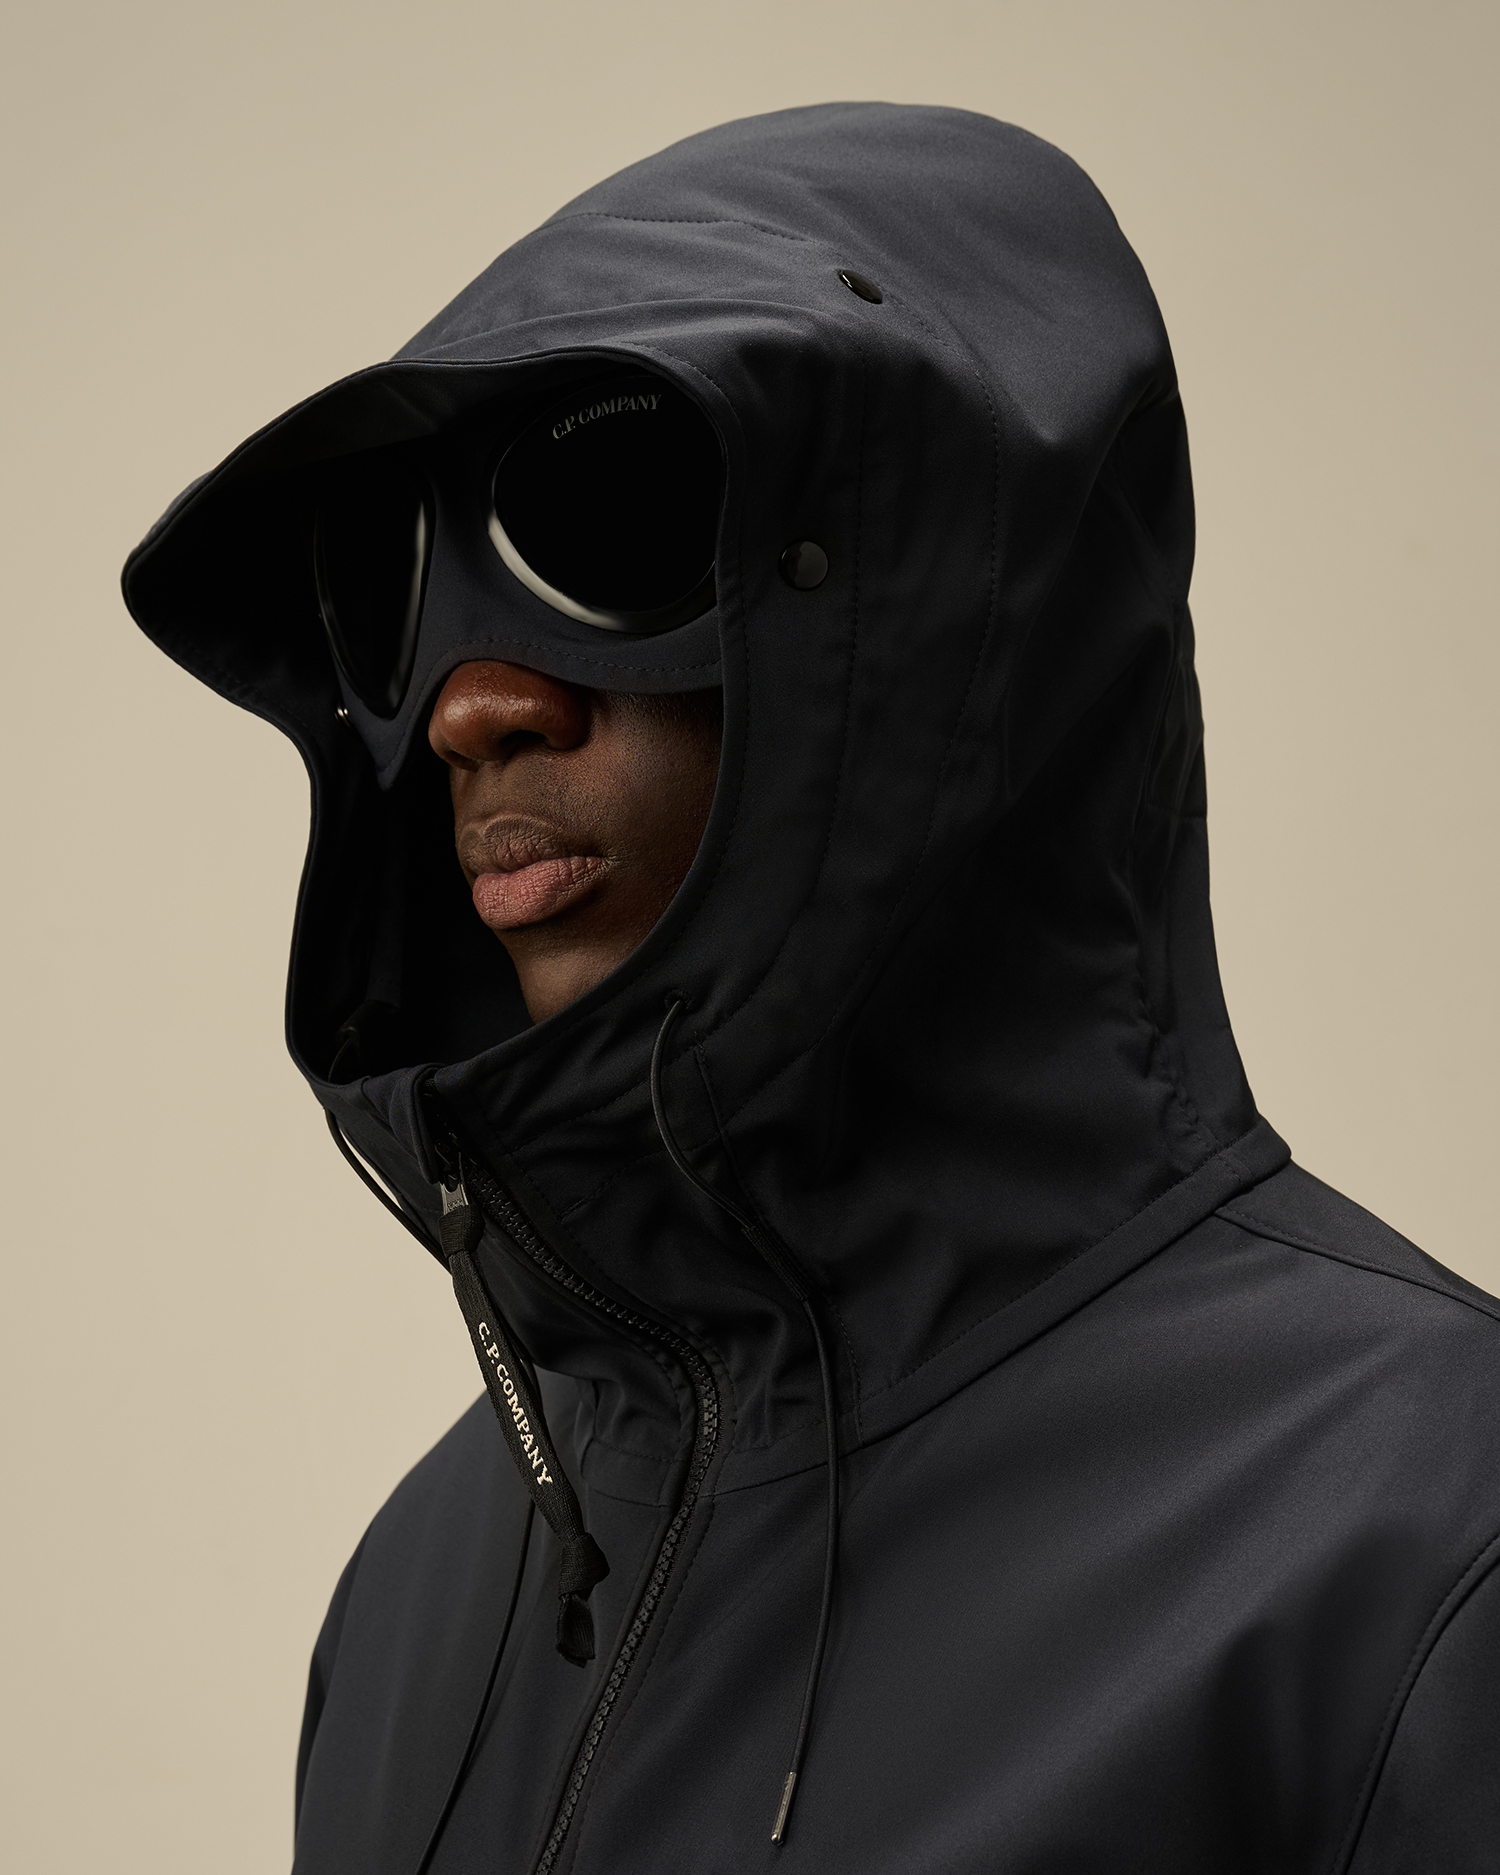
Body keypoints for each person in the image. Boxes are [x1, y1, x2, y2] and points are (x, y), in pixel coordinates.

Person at [121, 104, 1500, 1875]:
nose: (470, 709)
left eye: (609, 517)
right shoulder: (416, 1595)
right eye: (390, 595)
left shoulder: (1426, 1534)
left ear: (950, 619)